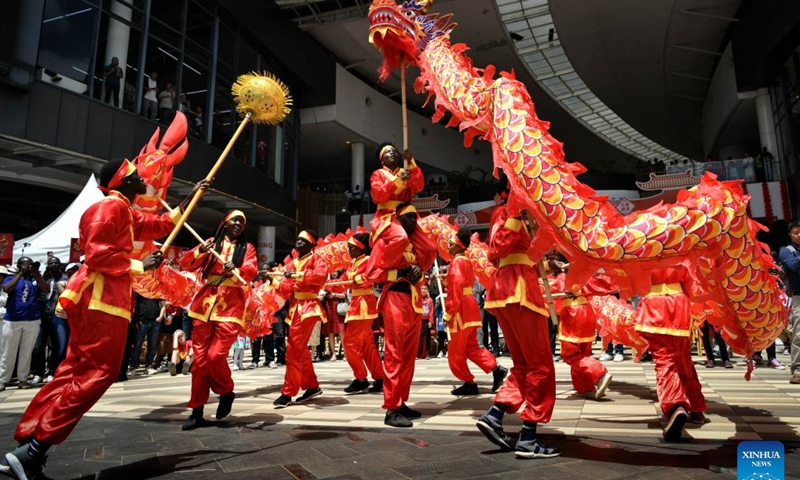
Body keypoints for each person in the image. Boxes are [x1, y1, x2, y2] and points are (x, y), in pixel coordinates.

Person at [0, 159, 205, 480]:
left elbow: (157, 224)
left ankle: (28, 447)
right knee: (97, 373)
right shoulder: (109, 208)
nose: (144, 179)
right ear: (124, 181)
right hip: (101, 300)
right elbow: (97, 254)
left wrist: (188, 201)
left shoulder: (122, 208)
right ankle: (35, 448)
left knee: (74, 372)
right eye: (137, 176)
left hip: (104, 300)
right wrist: (141, 265)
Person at [475, 178, 560, 459]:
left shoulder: (520, 215)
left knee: (524, 365)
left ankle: (495, 414)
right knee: (541, 367)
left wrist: (547, 263)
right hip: (519, 293)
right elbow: (496, 250)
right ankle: (528, 437)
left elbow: (518, 253)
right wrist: (514, 214)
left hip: (509, 292)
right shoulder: (506, 212)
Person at [179, 210, 258, 430]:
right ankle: (197, 411)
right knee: (200, 362)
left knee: (215, 357)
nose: (238, 224)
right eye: (235, 219)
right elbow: (186, 263)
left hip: (231, 306)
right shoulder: (211, 242)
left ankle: (226, 391)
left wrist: (238, 269)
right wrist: (200, 252)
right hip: (204, 304)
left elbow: (251, 271)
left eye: (242, 222)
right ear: (225, 221)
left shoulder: (247, 248)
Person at [366, 203, 437, 427]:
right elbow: (372, 273)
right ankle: (391, 408)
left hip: (414, 301)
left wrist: (418, 274)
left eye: (415, 218)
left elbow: (420, 272)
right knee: (395, 354)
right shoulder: (385, 241)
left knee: (408, 357)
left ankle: (400, 401)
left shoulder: (414, 244)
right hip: (395, 298)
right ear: (398, 219)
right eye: (408, 218)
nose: (413, 222)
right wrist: (401, 271)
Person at [635, 265, 706, 441]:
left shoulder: (640, 243)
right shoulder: (682, 243)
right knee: (683, 360)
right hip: (679, 304)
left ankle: (676, 406)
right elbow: (692, 280)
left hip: (653, 305)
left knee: (664, 360)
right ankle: (696, 408)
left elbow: (622, 274)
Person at [441, 228, 508, 396]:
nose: (448, 248)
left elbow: (456, 289)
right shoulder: (466, 261)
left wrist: (448, 313)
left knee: (455, 351)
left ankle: (468, 381)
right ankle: (496, 368)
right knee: (471, 347)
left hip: (460, 310)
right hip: (470, 307)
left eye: (450, 245)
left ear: (458, 246)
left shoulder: (456, 262)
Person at [273, 231, 328, 408]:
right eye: (297, 239)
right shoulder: (292, 263)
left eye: (303, 240)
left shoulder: (316, 259)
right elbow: (285, 288)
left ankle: (288, 392)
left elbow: (320, 276)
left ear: (311, 245)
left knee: (293, 350)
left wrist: (299, 276)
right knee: (300, 349)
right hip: (295, 307)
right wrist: (273, 280)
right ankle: (312, 386)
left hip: (308, 307)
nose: (298, 242)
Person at [558, 274, 614, 399]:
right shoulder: (586, 274)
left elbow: (551, 290)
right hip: (587, 311)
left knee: (571, 355)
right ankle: (584, 388)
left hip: (572, 313)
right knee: (582, 353)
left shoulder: (564, 276)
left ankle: (600, 373)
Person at [341, 232, 384, 394]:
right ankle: (379, 377)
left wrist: (357, 280)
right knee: (367, 345)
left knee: (350, 342)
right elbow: (343, 282)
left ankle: (360, 378)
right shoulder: (354, 262)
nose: (349, 250)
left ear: (360, 249)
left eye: (351, 247)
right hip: (357, 304)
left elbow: (372, 275)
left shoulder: (367, 260)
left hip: (363, 305)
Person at [0, 257, 50, 391]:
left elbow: (46, 289)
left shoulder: (35, 278)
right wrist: (20, 274)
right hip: (12, 320)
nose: (27, 266)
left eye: (29, 263)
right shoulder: (11, 278)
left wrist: (36, 274)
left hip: (32, 320)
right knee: (8, 352)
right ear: (19, 265)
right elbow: (6, 289)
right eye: (24, 263)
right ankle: (2, 380)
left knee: (26, 352)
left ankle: (23, 379)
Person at [369, 143, 424, 236]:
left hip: (407, 214)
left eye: (394, 151)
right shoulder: (378, 174)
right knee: (399, 238)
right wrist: (398, 180)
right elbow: (378, 196)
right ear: (382, 160)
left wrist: (411, 162)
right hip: (385, 215)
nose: (392, 153)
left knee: (428, 245)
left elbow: (418, 187)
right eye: (388, 152)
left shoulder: (405, 171)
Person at [30, 257, 65, 384]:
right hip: (42, 316)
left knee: (56, 346)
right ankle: (38, 373)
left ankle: (52, 371)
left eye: (56, 262)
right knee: (38, 346)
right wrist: (40, 276)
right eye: (51, 263)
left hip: (57, 316)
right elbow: (44, 291)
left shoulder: (64, 278)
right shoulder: (45, 278)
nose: (53, 265)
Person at [779, 221, 800, 385]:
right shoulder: (787, 252)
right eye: (796, 232)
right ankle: (798, 369)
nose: (799, 235)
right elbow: (794, 266)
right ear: (790, 234)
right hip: (798, 296)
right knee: (799, 335)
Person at [128, 294, 164, 375]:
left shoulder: (157, 290)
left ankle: (149, 366)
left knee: (152, 346)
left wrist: (161, 317)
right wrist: (136, 320)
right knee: (137, 345)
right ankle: (133, 366)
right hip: (142, 321)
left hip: (155, 321)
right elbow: (136, 305)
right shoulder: (141, 289)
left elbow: (163, 305)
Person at [418, 284, 433, 359]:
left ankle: (427, 353)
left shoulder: (430, 300)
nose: (423, 290)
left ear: (427, 291)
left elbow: (431, 311)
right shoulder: (417, 299)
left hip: (426, 320)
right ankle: (418, 353)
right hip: (419, 320)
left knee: (427, 337)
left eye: (425, 289)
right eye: (422, 289)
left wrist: (430, 321)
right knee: (418, 337)